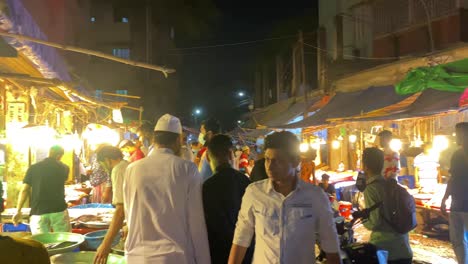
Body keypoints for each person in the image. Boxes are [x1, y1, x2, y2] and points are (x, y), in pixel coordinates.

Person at [228, 131, 340, 264]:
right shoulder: (254, 192)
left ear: (295, 162)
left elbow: (330, 242)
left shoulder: (315, 196)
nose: (270, 166)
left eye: (277, 160)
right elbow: (241, 236)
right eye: (267, 159)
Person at [124, 114, 210, 263]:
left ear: (154, 140)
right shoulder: (187, 169)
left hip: (138, 257)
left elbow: (129, 215)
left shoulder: (132, 169)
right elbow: (196, 223)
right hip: (176, 257)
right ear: (178, 140)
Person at [202, 134, 253, 264]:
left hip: (217, 253)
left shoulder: (206, 187)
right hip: (244, 253)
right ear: (231, 155)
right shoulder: (245, 181)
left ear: (208, 157)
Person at [362, 147, 413, 264]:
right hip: (404, 248)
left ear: (365, 166)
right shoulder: (393, 186)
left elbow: (375, 222)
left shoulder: (371, 188)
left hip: (385, 251)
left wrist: (364, 220)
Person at [13, 145, 71, 234]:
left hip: (38, 212)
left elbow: (24, 190)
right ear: (59, 156)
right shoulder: (64, 168)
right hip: (58, 210)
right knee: (64, 242)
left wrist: (18, 211)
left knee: (41, 244)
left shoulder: (33, 168)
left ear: (49, 153)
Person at [94, 146, 129, 264]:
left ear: (107, 159)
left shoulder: (118, 169)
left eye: (103, 163)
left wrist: (105, 244)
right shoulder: (128, 165)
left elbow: (120, 210)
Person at [441, 122, 468, 264]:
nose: (456, 137)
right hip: (456, 204)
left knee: (461, 240)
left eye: (458, 134)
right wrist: (445, 198)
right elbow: (452, 178)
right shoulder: (456, 155)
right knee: (457, 241)